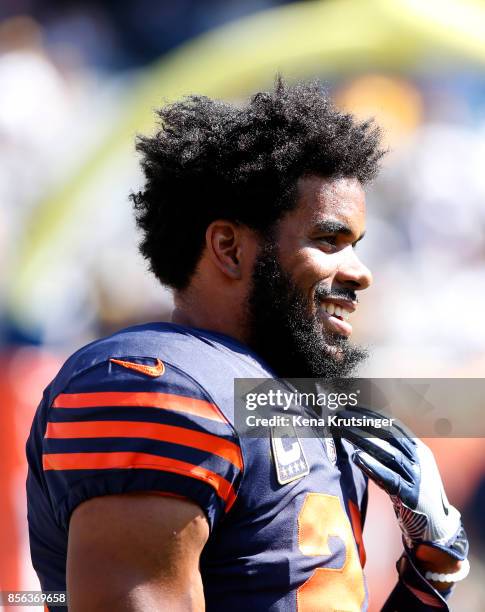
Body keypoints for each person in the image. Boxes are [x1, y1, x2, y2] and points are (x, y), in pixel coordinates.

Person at [26, 79, 468, 611]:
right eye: (329, 240)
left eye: (356, 245)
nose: (360, 272)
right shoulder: (152, 383)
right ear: (229, 248)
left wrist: (432, 570)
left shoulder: (286, 400)